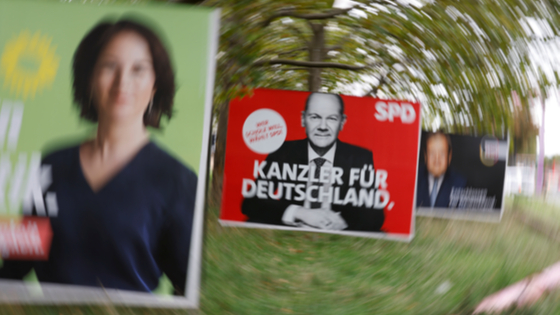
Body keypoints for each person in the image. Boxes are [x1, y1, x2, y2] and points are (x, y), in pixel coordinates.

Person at [0, 18, 197, 295]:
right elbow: (15, 266)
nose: (122, 82)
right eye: (109, 65)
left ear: (155, 84)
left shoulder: (180, 181)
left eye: (138, 69)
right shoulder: (51, 164)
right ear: (90, 77)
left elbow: (188, 287)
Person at [241, 92, 385, 232]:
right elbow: (251, 203)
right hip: (291, 229)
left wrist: (341, 222)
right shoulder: (283, 151)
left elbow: (376, 215)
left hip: (336, 233)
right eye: (315, 117)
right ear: (303, 119)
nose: (322, 126)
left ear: (342, 122)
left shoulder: (359, 157)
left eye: (332, 118)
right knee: (251, 223)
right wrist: (299, 213)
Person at [416, 131, 466, 208]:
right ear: (425, 156)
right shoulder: (415, 179)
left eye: (442, 153)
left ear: (449, 157)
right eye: (432, 153)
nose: (437, 159)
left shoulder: (460, 184)